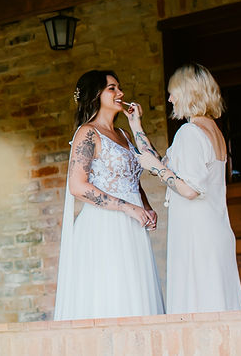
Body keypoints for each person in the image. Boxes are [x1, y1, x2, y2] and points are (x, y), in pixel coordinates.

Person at [125, 63, 241, 314]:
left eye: (173, 92)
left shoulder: (190, 132)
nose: (169, 98)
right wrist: (136, 126)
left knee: (199, 308)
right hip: (215, 229)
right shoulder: (213, 130)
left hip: (197, 233)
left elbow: (190, 189)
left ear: (188, 92)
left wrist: (156, 169)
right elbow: (164, 163)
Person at [54, 70, 165, 320]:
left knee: (136, 293)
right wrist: (128, 208)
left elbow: (151, 166)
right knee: (113, 293)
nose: (120, 93)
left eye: (119, 88)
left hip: (132, 227)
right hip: (104, 227)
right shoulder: (87, 133)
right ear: (96, 95)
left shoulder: (124, 135)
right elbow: (78, 186)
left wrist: (145, 206)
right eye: (112, 88)